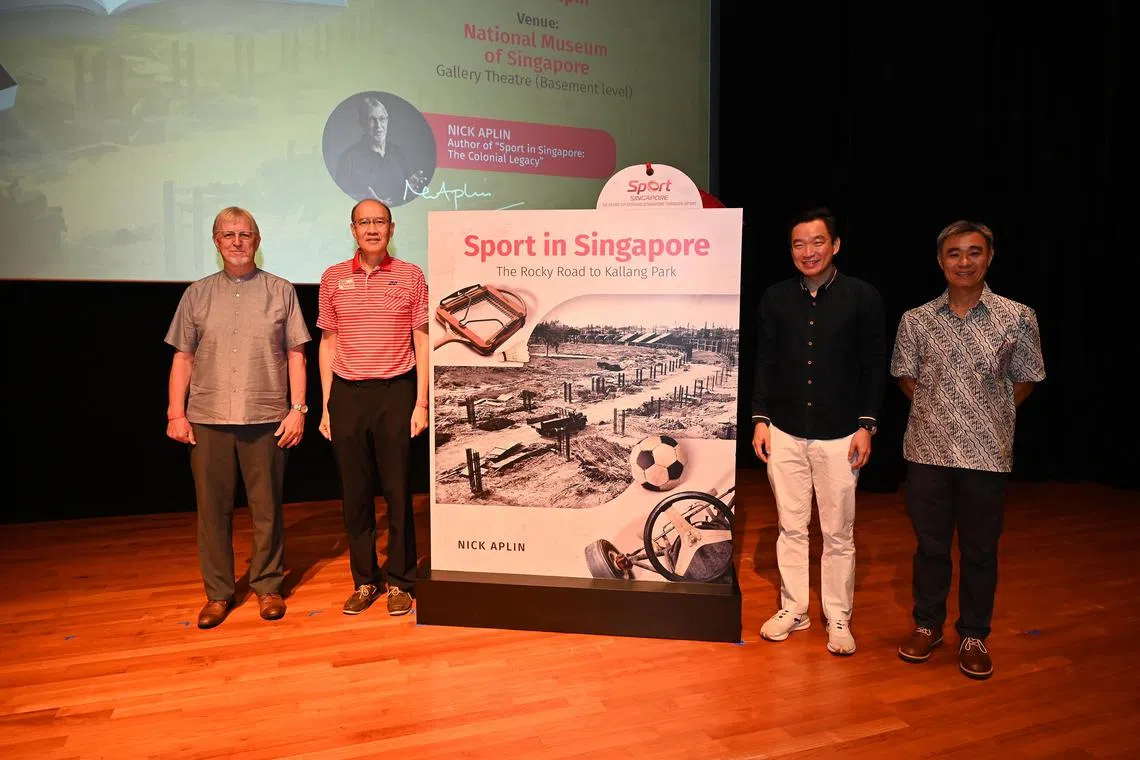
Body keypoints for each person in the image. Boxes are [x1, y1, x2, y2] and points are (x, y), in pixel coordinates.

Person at [891, 220, 1045, 680]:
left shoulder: (1018, 316)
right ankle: (927, 625)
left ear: (989, 257)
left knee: (979, 550)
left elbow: (1027, 377)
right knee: (931, 546)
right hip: (927, 450)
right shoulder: (916, 319)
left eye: (973, 252)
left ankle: (974, 634)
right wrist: (942, 412)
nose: (964, 262)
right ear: (940, 261)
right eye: (954, 254)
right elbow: (904, 375)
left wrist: (985, 414)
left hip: (987, 455)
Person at [165, 206, 311, 629]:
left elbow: (297, 356)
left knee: (267, 509)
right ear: (215, 242)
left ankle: (268, 587)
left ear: (257, 240)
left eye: (245, 234)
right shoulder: (196, 294)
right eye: (228, 235)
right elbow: (183, 357)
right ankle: (218, 594)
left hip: (266, 417)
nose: (237, 241)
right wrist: (177, 412)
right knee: (212, 512)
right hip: (208, 417)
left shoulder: (281, 291)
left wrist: (298, 410)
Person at [751, 207, 886, 656]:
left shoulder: (863, 297)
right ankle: (795, 609)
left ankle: (837, 616)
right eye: (798, 244)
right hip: (785, 431)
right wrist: (760, 418)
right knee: (791, 528)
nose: (808, 252)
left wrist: (867, 424)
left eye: (817, 242)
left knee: (838, 533)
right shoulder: (774, 298)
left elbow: (872, 367)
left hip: (840, 434)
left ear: (836, 245)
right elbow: (765, 362)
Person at [317, 198, 429, 616]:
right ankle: (365, 580)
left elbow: (421, 340)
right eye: (364, 222)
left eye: (379, 221)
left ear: (391, 228)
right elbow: (328, 344)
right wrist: (327, 405)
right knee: (355, 494)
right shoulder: (332, 278)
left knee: (398, 491)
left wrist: (421, 402)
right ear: (353, 230)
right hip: (346, 394)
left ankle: (401, 581)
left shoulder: (412, 276)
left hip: (396, 392)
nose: (372, 229)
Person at [334, 96, 428, 205]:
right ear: (362, 123)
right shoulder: (348, 158)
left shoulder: (400, 153)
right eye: (371, 120)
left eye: (382, 119)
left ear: (387, 121)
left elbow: (407, 196)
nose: (378, 126)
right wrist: (364, 199)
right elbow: (338, 199)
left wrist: (410, 189)